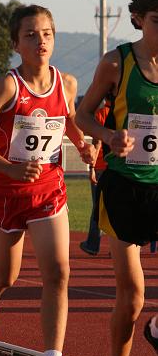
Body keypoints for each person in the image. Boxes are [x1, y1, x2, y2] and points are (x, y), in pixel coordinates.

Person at [0, 4, 95, 356]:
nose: (41, 41)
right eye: (31, 35)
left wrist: (82, 145)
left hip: (49, 190)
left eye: (47, 34)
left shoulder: (66, 83)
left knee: (58, 272)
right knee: (8, 275)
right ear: (16, 43)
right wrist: (9, 168)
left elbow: (67, 120)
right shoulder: (8, 86)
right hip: (6, 194)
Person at [75, 0, 158, 356]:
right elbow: (82, 114)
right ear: (138, 20)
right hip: (125, 187)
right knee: (132, 297)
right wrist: (108, 135)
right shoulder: (117, 62)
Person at [79, 98, 111, 256]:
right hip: (120, 167)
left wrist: (91, 168)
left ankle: (92, 244)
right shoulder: (126, 111)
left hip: (101, 166)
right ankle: (118, 247)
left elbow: (97, 142)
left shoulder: (101, 113)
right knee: (117, 207)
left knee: (98, 207)